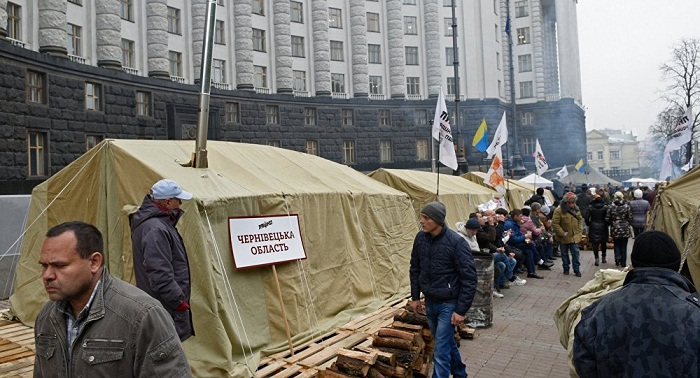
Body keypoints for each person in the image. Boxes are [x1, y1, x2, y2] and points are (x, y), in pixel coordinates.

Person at [34, 221, 191, 377]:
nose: (47, 275)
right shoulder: (47, 316)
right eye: (44, 266)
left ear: (94, 262)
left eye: (60, 265)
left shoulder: (142, 316)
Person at [573, 231, 700, 377]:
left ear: (633, 265)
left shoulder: (599, 311)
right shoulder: (694, 314)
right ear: (677, 266)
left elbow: (584, 364)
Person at [410, 201, 477, 378]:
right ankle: (460, 374)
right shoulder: (420, 238)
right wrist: (415, 296)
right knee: (446, 343)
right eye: (421, 217)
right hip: (430, 301)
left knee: (440, 351)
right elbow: (415, 268)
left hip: (449, 303)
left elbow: (469, 279)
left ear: (437, 220)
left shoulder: (456, 243)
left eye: (426, 218)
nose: (421, 221)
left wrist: (461, 310)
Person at [131, 179, 195, 341]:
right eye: (177, 199)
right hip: (166, 306)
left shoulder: (157, 225)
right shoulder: (156, 229)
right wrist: (179, 302)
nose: (180, 203)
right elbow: (159, 273)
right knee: (166, 351)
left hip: (164, 304)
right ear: (167, 202)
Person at [552, 192, 584, 277]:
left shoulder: (576, 209)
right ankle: (566, 269)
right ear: (567, 203)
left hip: (574, 236)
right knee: (564, 254)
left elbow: (580, 219)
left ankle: (577, 270)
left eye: (574, 203)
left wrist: (579, 230)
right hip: (564, 237)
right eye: (572, 203)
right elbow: (555, 223)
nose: (574, 205)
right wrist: (562, 233)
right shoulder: (559, 210)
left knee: (575, 253)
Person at [606, 191, 632, 267]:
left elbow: (607, 218)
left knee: (616, 244)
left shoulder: (611, 207)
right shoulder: (627, 206)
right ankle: (623, 262)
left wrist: (612, 222)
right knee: (624, 245)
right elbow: (630, 218)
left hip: (615, 228)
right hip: (625, 228)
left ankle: (617, 258)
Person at [586, 194, 609, 266]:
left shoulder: (590, 207)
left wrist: (588, 223)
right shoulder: (605, 207)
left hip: (593, 225)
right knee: (603, 242)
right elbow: (608, 217)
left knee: (595, 243)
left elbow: (586, 216)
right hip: (603, 225)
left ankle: (596, 258)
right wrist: (607, 223)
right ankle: (604, 257)